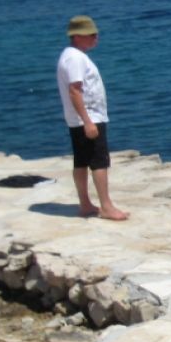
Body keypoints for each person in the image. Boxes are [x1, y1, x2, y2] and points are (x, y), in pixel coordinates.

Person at [56, 15, 128, 220]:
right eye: (92, 34)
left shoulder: (70, 56)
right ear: (77, 36)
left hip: (79, 118)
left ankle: (85, 204)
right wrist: (88, 121)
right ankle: (106, 206)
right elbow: (75, 91)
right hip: (88, 118)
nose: (96, 38)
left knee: (81, 161)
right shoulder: (75, 59)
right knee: (99, 162)